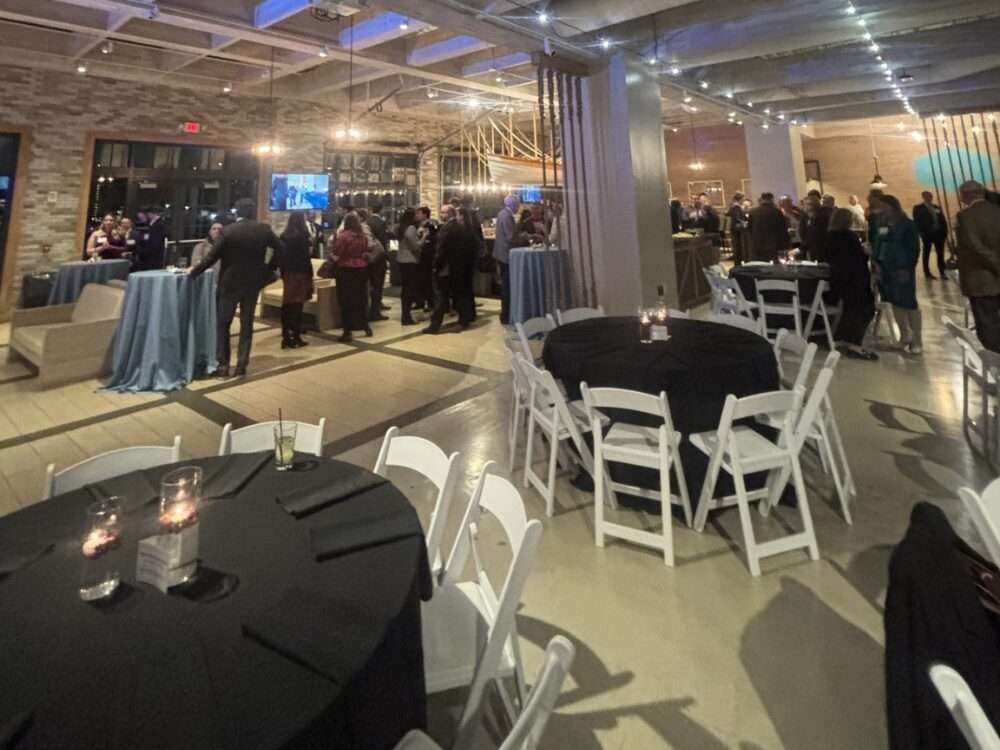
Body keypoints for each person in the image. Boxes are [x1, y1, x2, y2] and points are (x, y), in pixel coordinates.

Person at [189, 198, 282, 378]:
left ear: (238, 212)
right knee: (247, 323)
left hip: (229, 283)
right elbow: (280, 248)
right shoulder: (263, 229)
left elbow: (211, 257)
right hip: (252, 283)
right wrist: (268, 268)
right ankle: (242, 364)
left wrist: (194, 273)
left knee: (223, 323)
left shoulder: (228, 231)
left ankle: (223, 365)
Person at [955, 181, 1000, 352]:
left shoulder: (965, 216)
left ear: (966, 195)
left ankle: (995, 362)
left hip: (981, 279)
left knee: (987, 325)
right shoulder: (997, 211)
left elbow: (976, 248)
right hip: (994, 275)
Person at [827, 208, 877, 360]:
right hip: (855, 278)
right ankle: (855, 344)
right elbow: (857, 258)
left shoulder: (830, 236)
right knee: (864, 309)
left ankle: (844, 338)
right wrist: (866, 253)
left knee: (850, 308)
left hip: (839, 277)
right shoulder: (849, 236)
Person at [876, 195, 923, 355]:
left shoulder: (908, 225)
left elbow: (914, 248)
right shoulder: (883, 224)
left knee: (909, 302)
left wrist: (907, 267)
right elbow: (881, 243)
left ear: (892, 206)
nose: (881, 210)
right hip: (886, 268)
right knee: (895, 302)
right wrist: (877, 263)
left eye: (883, 206)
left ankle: (917, 339)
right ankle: (904, 336)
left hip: (902, 268)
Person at [425, 205, 477, 334]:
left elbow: (442, 249)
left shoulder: (448, 228)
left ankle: (436, 325)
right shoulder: (459, 227)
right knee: (457, 295)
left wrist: (436, 265)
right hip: (457, 267)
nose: (441, 214)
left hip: (448, 267)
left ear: (450, 214)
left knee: (441, 296)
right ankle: (462, 320)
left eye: (443, 212)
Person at [328, 213, 371, 342]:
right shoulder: (363, 236)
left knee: (346, 301)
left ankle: (347, 331)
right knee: (360, 299)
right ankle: (366, 327)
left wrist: (331, 256)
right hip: (361, 269)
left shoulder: (343, 236)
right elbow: (366, 251)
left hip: (346, 270)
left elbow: (337, 253)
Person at [277, 213, 314, 349]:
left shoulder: (284, 236)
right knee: (298, 304)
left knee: (287, 303)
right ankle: (296, 335)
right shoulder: (303, 237)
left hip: (288, 272)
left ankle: (286, 334)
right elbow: (307, 256)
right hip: (301, 272)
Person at [494, 194, 521, 324]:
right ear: (513, 205)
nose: (519, 208)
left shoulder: (502, 214)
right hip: (506, 255)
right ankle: (506, 315)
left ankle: (506, 313)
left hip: (501, 254)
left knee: (505, 285)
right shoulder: (507, 216)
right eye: (518, 205)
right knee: (507, 286)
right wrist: (526, 236)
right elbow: (511, 237)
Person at [912, 191, 949, 280]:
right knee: (926, 253)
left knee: (940, 254)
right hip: (927, 234)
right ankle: (927, 272)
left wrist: (945, 232)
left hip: (939, 234)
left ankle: (942, 272)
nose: (929, 198)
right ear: (923, 197)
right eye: (927, 196)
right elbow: (917, 221)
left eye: (930, 196)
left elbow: (942, 220)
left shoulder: (936, 207)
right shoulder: (918, 208)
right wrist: (921, 233)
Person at [397, 207, 422, 326]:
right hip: (410, 260)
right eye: (416, 214)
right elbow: (415, 246)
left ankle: (405, 314)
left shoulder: (400, 227)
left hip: (401, 259)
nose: (418, 216)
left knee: (405, 289)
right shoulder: (411, 228)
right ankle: (406, 316)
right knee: (409, 289)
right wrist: (424, 237)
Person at [365, 204, 391, 321]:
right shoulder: (380, 223)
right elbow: (383, 240)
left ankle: (374, 306)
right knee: (378, 284)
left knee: (372, 284)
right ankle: (375, 310)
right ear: (381, 210)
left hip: (370, 257)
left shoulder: (368, 222)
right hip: (379, 257)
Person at [748, 193, 790, 262]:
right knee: (773, 266)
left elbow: (750, 228)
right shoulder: (776, 212)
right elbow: (782, 230)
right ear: (771, 199)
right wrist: (785, 245)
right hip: (773, 246)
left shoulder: (753, 212)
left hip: (757, 245)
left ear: (762, 199)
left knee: (760, 265)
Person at [415, 206, 438, 313]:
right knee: (420, 280)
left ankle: (430, 302)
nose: (417, 215)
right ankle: (420, 301)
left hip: (427, 256)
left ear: (424, 214)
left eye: (419, 213)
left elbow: (433, 239)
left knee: (427, 280)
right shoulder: (417, 225)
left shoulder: (431, 225)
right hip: (419, 255)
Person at [799, 194, 833, 262]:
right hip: (819, 250)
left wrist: (800, 249)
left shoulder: (819, 218)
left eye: (804, 205)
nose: (803, 207)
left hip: (820, 251)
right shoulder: (811, 216)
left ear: (810, 206)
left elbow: (812, 237)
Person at [135, 205, 168, 270]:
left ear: (149, 214)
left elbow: (154, 245)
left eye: (142, 218)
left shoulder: (158, 226)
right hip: (148, 260)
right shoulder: (152, 225)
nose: (142, 220)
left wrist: (139, 251)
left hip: (153, 261)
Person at [728, 192, 749, 265]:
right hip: (737, 230)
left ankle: (738, 263)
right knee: (738, 247)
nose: (743, 200)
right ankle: (738, 264)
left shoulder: (733, 206)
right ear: (740, 199)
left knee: (737, 247)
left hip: (734, 229)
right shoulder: (736, 207)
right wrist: (745, 223)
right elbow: (738, 219)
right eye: (743, 199)